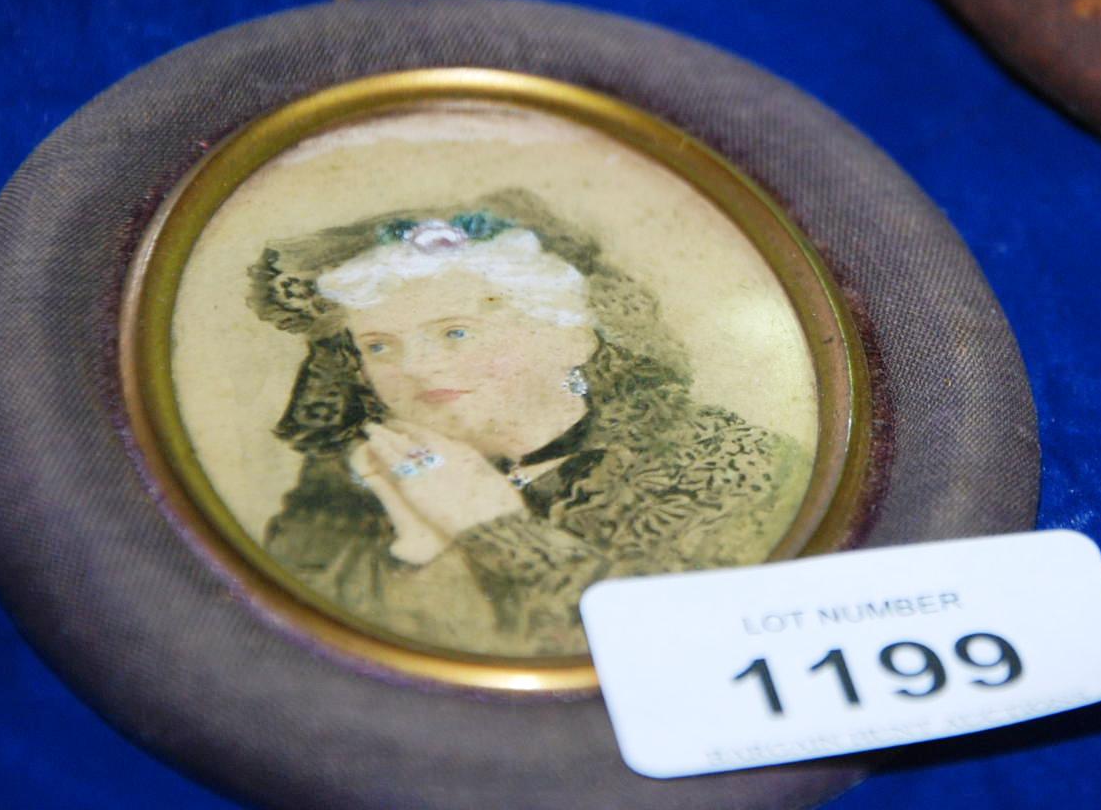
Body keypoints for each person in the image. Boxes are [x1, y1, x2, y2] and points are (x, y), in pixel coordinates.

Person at [247, 189, 804, 657]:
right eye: (379, 345)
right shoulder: (347, 487)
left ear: (571, 336)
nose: (413, 366)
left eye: (455, 332)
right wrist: (419, 548)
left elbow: (699, 656)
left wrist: (494, 531)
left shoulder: (725, 466)